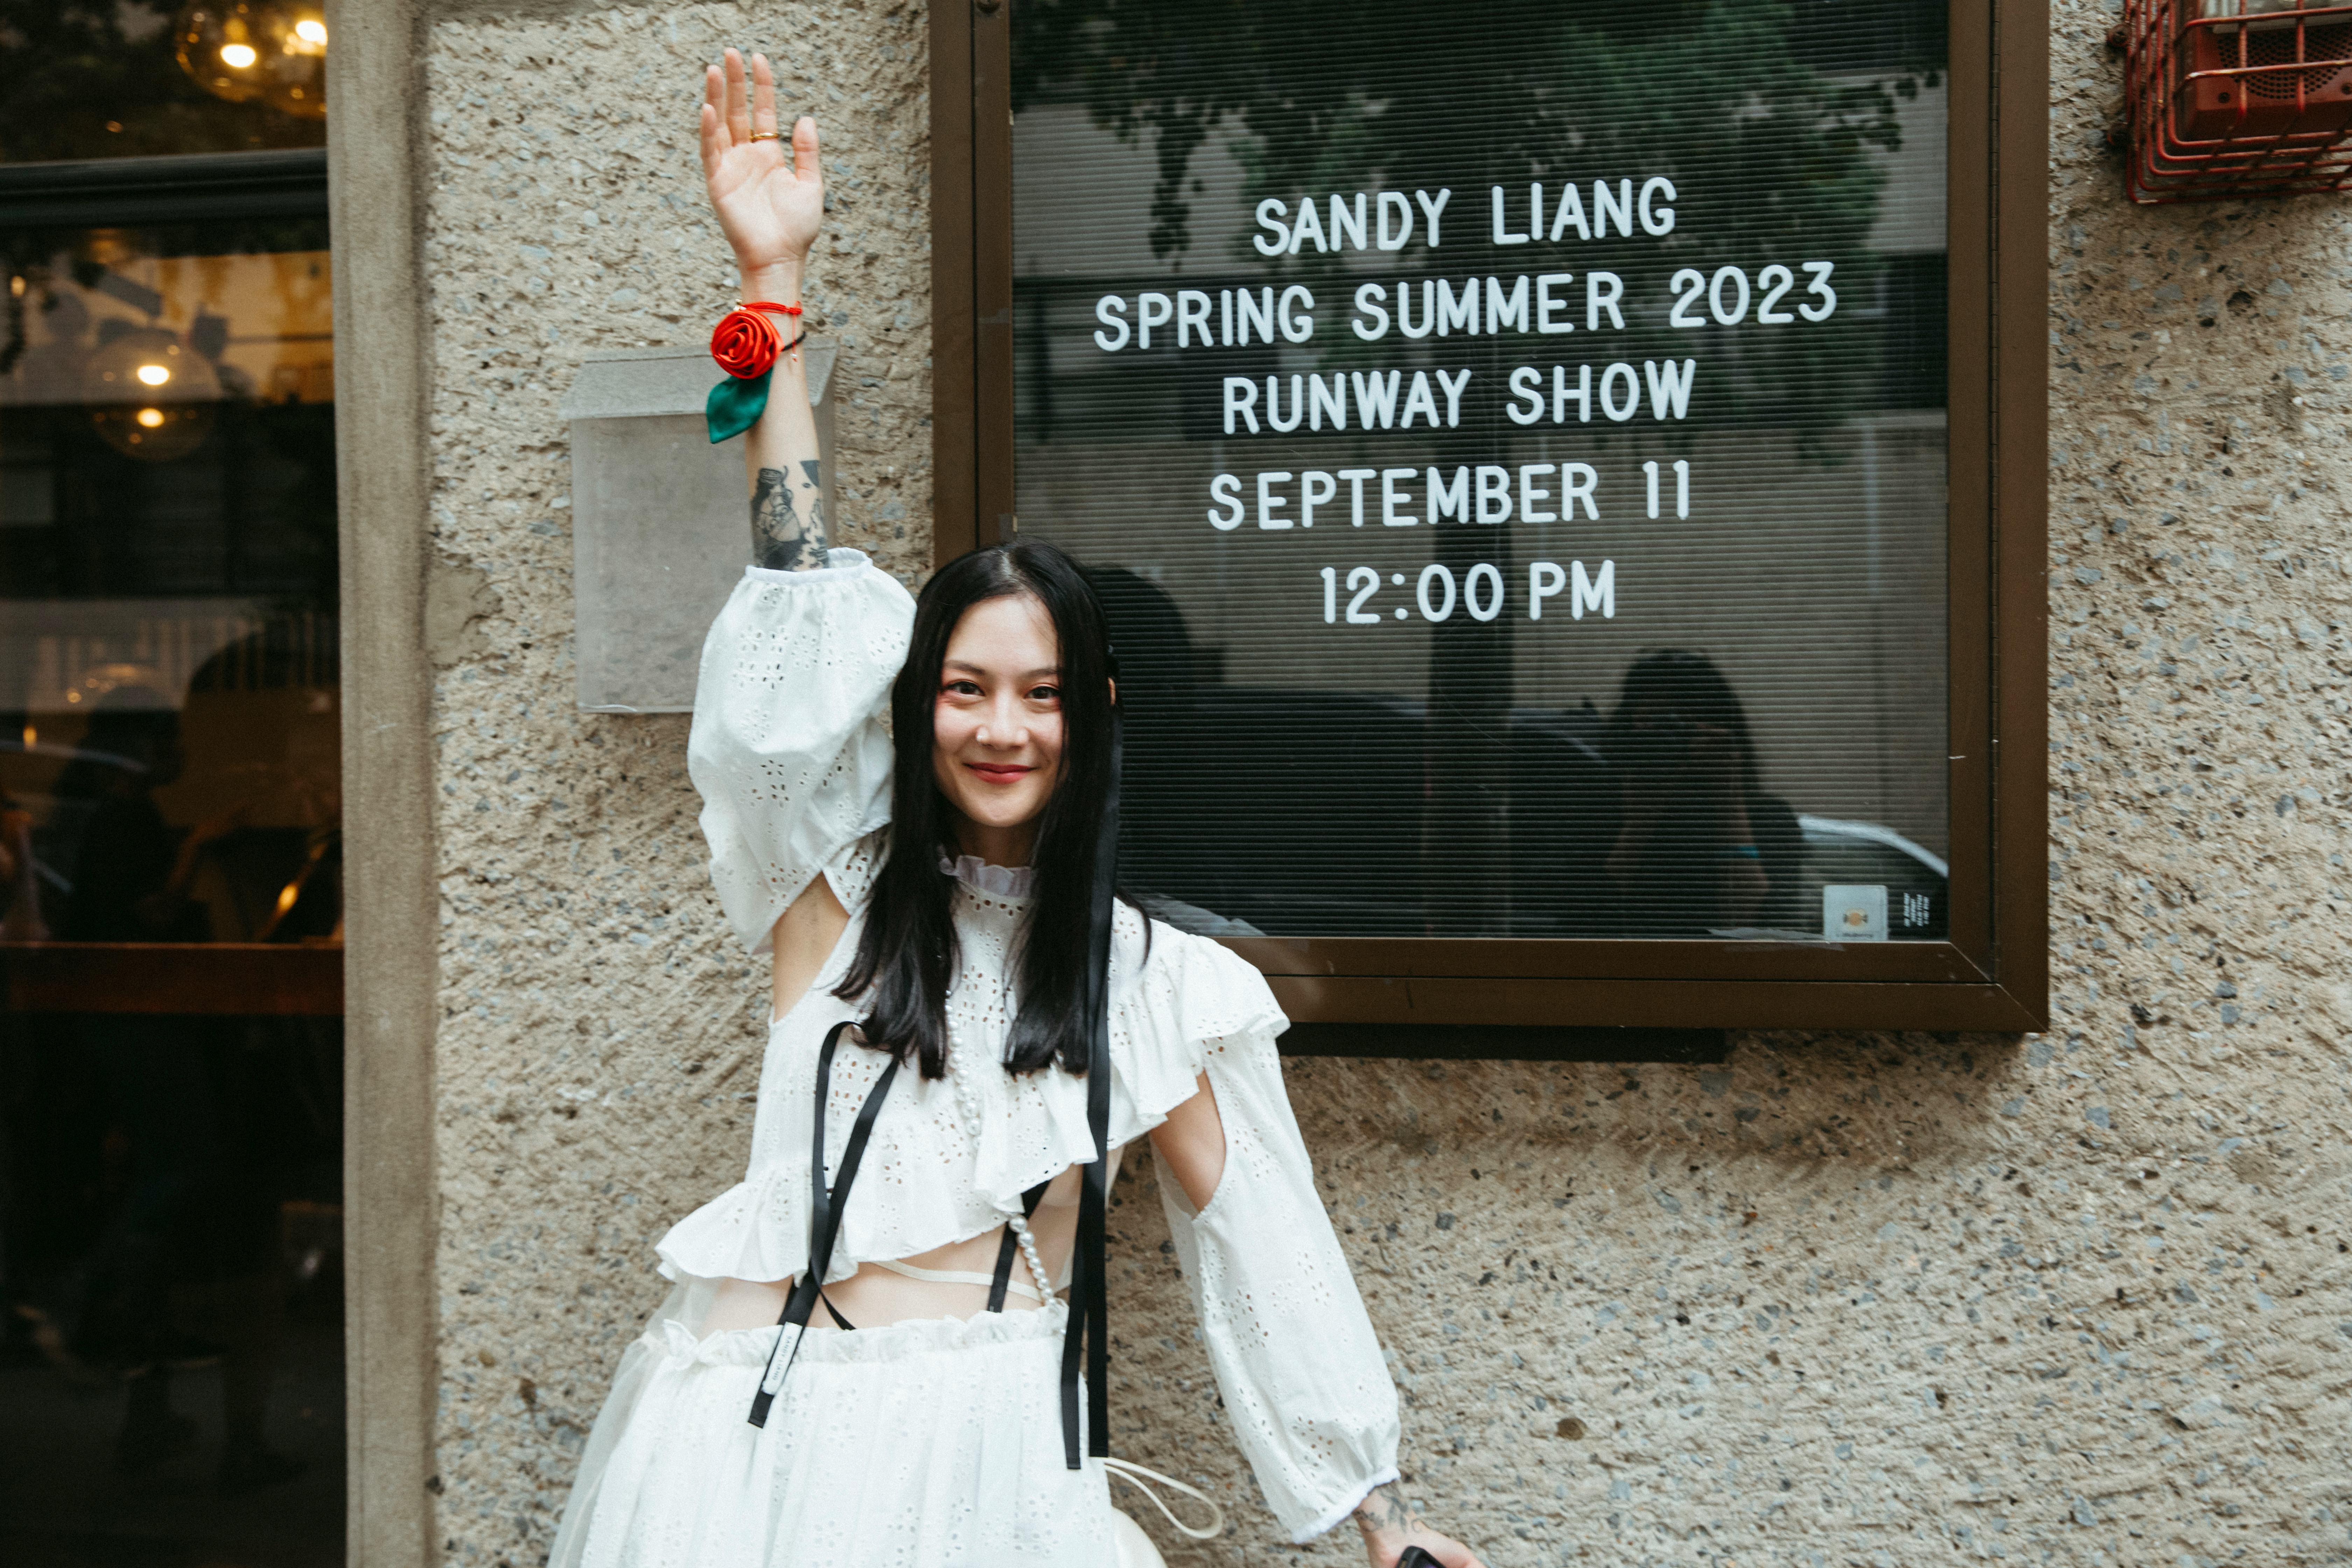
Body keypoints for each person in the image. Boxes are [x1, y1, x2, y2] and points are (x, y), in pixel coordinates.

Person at [546, 52, 1486, 1568]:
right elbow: (791, 585)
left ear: (1092, 717)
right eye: (964, 687)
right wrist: (767, 278)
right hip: (734, 1447)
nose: (1000, 724)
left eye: (1041, 692)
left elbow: (1263, 1251)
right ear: (916, 709)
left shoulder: (1154, 987)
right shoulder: (827, 894)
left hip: (976, 1466)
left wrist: (1372, 1514)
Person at [1599, 650, 1804, 936]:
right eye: (1656, 724)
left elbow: (1768, 933)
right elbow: (1580, 929)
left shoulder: (1767, 819)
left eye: (1687, 727)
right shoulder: (1600, 810)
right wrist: (1639, 823)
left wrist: (1729, 805)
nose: (1671, 739)